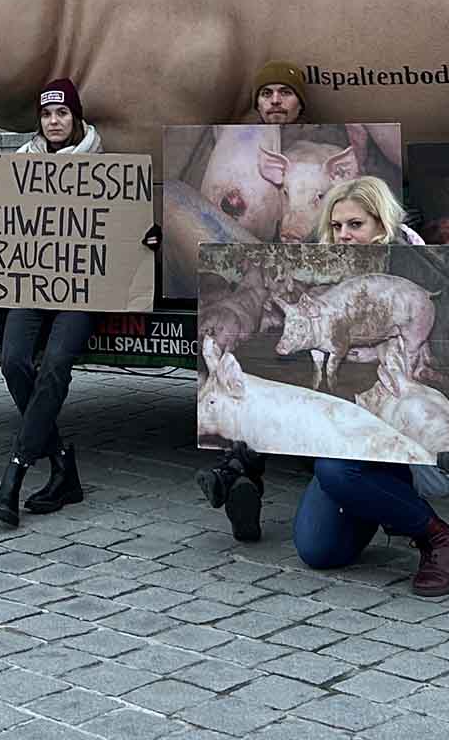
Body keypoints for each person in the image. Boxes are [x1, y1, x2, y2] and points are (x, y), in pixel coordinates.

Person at [290, 176, 449, 597]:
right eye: (337, 226)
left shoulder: (421, 267)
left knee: (336, 469)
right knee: (320, 550)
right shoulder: (328, 284)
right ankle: (379, 500)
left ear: (383, 224)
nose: (344, 235)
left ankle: (437, 538)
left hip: (416, 421)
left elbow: (443, 359)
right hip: (357, 428)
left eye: (356, 225)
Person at [193, 57, 315, 540]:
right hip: (259, 274)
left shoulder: (312, 147)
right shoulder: (237, 141)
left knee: (285, 372)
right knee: (253, 370)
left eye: (284, 94)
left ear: (300, 103)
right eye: (266, 94)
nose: (275, 102)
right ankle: (241, 477)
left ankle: (237, 472)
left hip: (306, 282)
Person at [0, 79, 105, 526]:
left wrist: (142, 239)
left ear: (76, 119)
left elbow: (120, 224)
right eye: (47, 115)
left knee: (55, 363)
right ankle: (60, 464)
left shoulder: (103, 168)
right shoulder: (20, 165)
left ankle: (13, 477)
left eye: (62, 114)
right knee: (14, 361)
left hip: (83, 289)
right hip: (30, 283)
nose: (54, 122)